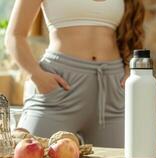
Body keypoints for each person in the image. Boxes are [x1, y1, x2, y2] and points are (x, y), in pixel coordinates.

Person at [4, 0, 145, 147]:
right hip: (58, 88)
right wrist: (37, 75)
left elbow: (132, 32)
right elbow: (14, 35)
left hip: (112, 91)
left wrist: (130, 67)